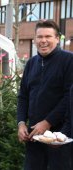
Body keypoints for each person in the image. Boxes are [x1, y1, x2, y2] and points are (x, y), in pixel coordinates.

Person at [17, 20, 73, 170]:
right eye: (39, 37)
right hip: (34, 136)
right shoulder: (31, 63)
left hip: (60, 136)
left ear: (57, 38)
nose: (43, 41)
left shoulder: (69, 60)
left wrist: (48, 122)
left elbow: (69, 97)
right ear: (34, 39)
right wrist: (21, 123)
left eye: (48, 36)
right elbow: (23, 96)